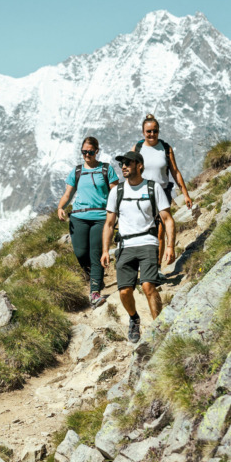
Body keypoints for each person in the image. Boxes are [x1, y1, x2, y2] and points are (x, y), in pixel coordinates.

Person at [99, 150, 175, 343]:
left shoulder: (153, 188)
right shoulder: (117, 191)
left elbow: (167, 219)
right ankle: (134, 319)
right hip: (124, 245)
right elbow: (109, 223)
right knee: (124, 291)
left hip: (148, 242)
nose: (123, 166)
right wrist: (105, 250)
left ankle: (159, 329)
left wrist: (170, 246)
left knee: (148, 285)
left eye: (128, 163)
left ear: (139, 165)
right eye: (122, 163)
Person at [56, 137, 116, 307]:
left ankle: (95, 292)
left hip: (100, 218)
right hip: (78, 216)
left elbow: (115, 192)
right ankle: (95, 278)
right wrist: (61, 207)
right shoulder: (77, 171)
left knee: (95, 253)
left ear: (97, 151)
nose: (87, 155)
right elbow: (68, 194)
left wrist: (116, 212)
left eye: (90, 152)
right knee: (81, 253)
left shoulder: (106, 169)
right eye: (84, 152)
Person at [135, 114, 193, 264]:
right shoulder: (137, 148)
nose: (152, 134)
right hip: (142, 194)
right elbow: (130, 171)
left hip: (162, 193)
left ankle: (157, 267)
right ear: (143, 132)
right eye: (148, 131)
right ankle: (145, 263)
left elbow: (175, 171)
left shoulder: (165, 148)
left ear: (158, 131)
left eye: (155, 131)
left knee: (160, 232)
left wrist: (185, 194)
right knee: (144, 231)